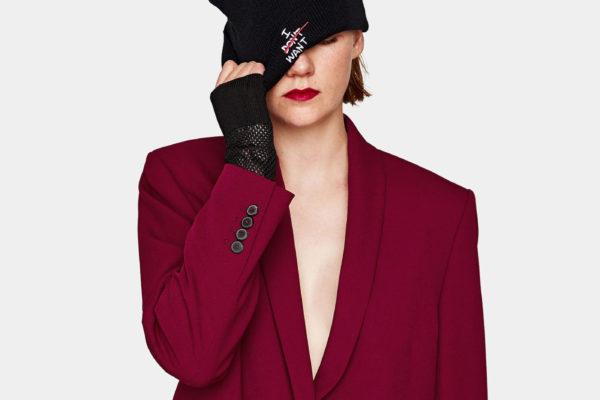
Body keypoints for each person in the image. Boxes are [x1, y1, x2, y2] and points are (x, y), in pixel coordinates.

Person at [137, 1, 488, 399]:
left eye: (324, 40)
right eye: (278, 42)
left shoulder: (441, 213)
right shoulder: (178, 180)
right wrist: (247, 165)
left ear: (356, 41)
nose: (300, 66)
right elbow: (192, 359)